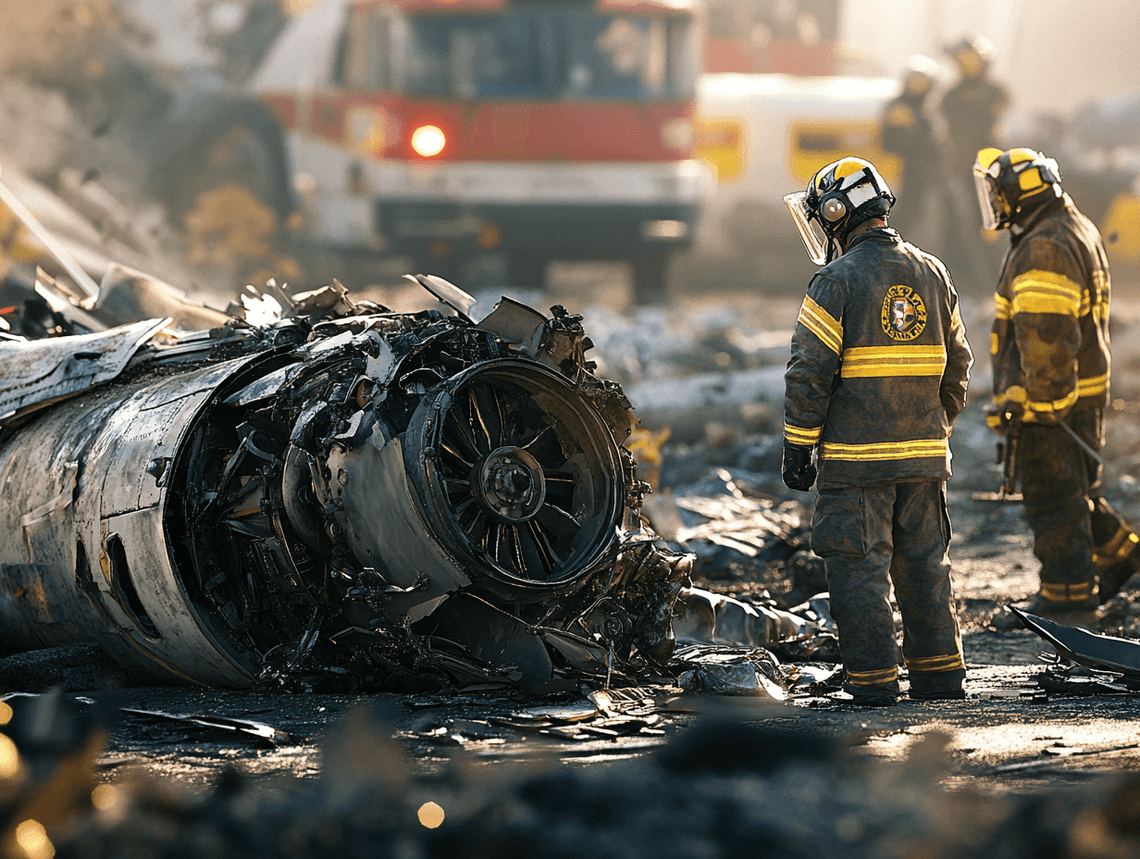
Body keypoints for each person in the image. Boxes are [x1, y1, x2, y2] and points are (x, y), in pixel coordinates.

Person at [782, 157, 974, 706]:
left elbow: (808, 374)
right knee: (925, 570)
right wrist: (933, 428)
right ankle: (939, 679)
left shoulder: (835, 281)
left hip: (856, 464)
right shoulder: (933, 272)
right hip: (925, 461)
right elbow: (958, 364)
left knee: (859, 573)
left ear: (838, 211)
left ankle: (873, 686)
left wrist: (798, 446)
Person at [974, 147, 1140, 623]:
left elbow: (1046, 333)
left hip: (1053, 402)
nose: (996, 203)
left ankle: (1066, 598)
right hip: (1081, 395)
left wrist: (1039, 404)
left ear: (1022, 197)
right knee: (1078, 489)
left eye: (998, 194)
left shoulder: (1044, 245)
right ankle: (1121, 556)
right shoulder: (1072, 225)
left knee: (1052, 498)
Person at [880, 55, 943, 241]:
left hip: (926, 171)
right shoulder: (900, 107)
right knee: (903, 215)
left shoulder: (926, 107)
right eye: (914, 80)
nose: (918, 85)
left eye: (923, 81)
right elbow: (894, 142)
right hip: (904, 170)